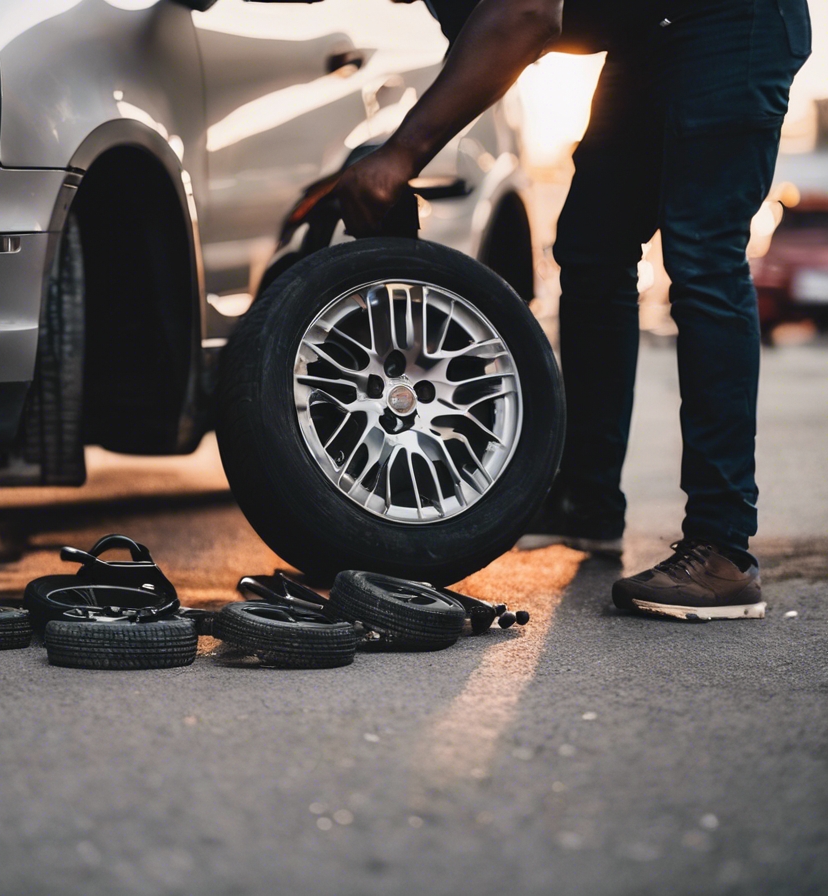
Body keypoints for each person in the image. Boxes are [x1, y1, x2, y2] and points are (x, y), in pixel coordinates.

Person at [336, 0, 811, 620]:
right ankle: (588, 503)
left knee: (702, 253)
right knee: (592, 246)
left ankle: (723, 551)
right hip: (655, 30)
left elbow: (525, 14)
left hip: (735, 18)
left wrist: (401, 155)